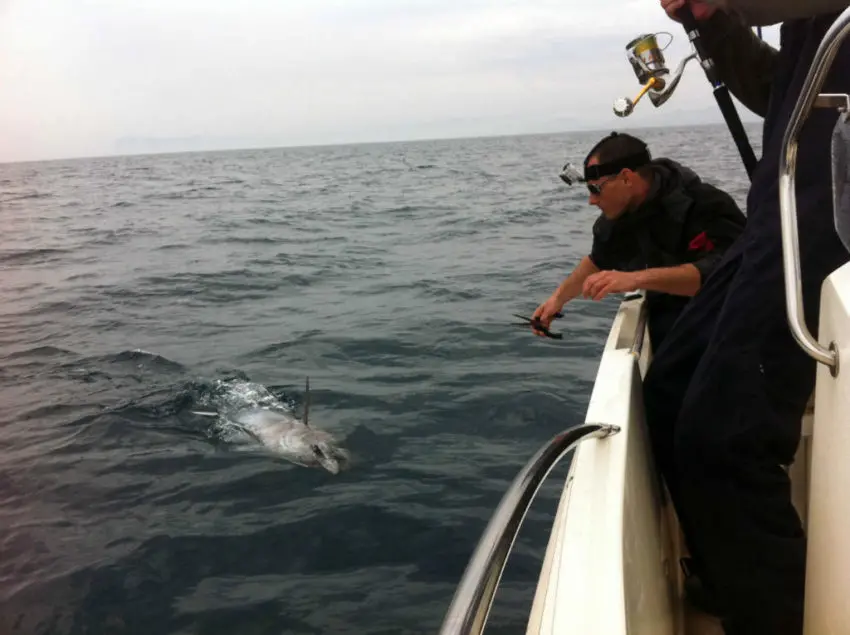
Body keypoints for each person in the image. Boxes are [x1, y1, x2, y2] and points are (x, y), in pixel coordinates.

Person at [639, 1, 850, 634]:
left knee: (725, 437)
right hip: (776, 214)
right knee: (670, 390)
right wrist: (712, 23)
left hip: (829, 220)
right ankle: (734, 575)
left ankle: (775, 617)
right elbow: (775, 90)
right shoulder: (806, 20)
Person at [531, 131, 746, 349]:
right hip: (674, 323)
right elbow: (597, 261)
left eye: (596, 189)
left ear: (626, 178)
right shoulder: (617, 218)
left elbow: (729, 274)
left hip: (731, 321)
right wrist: (556, 300)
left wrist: (634, 279)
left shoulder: (706, 205)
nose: (591, 200)